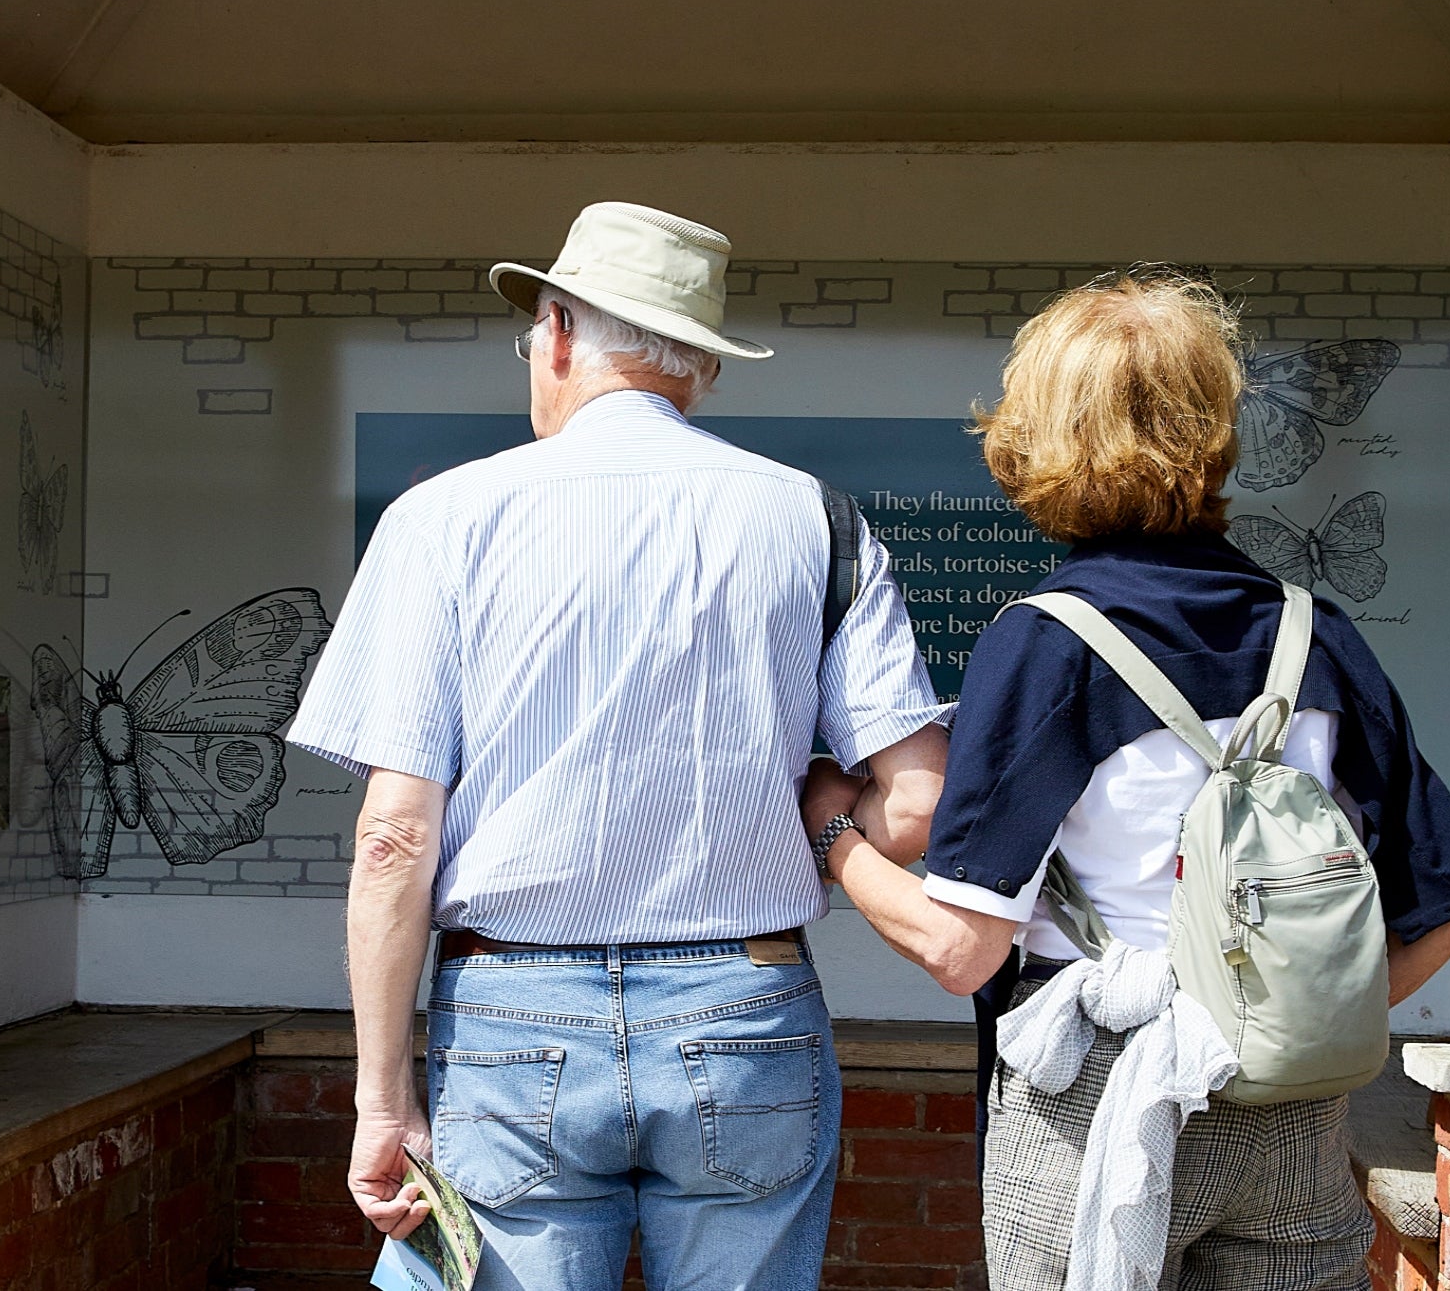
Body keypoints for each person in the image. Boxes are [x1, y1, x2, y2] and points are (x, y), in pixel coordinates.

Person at [286, 201, 953, 1291]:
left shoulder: (440, 520)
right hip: (748, 1012)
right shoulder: (816, 520)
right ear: (703, 368)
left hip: (511, 1019)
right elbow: (917, 807)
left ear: (555, 330)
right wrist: (825, 813)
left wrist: (381, 1099)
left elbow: (395, 840)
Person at [807, 270, 1450, 1291]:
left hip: (1097, 1095)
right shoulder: (1318, 636)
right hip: (1293, 1107)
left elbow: (960, 949)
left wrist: (834, 835)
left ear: (1040, 436)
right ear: (1215, 429)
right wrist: (1294, 1022)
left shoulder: (1047, 645)